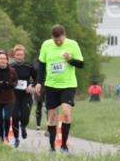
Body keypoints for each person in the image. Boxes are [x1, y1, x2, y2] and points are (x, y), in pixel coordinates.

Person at [36, 24, 84, 153]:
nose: (57, 42)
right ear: (52, 37)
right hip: (51, 85)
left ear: (64, 35)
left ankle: (64, 145)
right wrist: (39, 82)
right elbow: (41, 64)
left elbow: (81, 64)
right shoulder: (46, 45)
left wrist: (70, 59)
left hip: (68, 85)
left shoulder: (73, 44)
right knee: (51, 117)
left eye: (60, 39)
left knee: (66, 112)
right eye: (55, 39)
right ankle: (52, 147)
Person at [9, 45, 37, 144]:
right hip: (14, 95)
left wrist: (32, 86)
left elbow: (37, 78)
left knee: (25, 117)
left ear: (24, 55)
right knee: (15, 116)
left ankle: (23, 126)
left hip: (26, 95)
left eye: (21, 55)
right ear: (14, 55)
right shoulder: (11, 67)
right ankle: (16, 138)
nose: (19, 56)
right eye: (17, 55)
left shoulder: (29, 66)